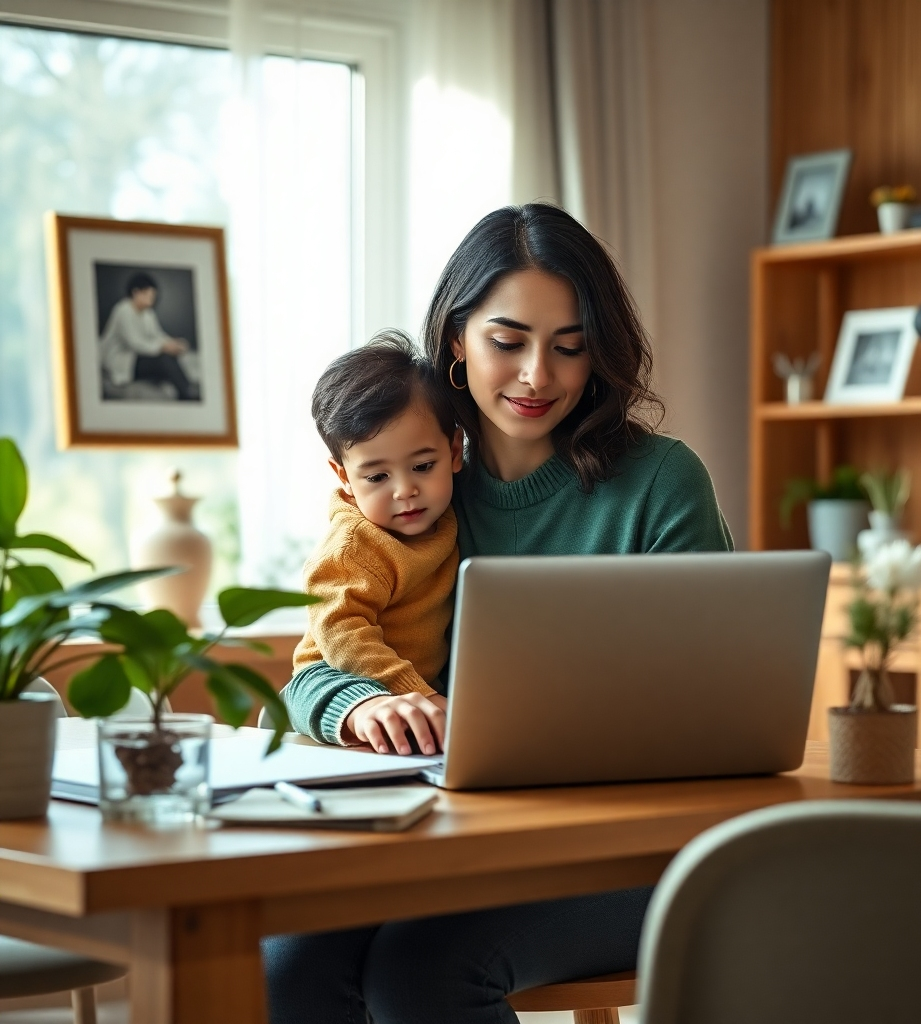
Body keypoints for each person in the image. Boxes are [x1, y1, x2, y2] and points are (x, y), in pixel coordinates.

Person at [264, 203, 733, 1024]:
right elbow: (314, 673)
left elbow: (723, 700)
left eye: (569, 346)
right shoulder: (414, 492)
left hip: (641, 855)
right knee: (288, 960)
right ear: (455, 339)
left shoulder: (661, 483)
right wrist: (368, 703)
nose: (536, 377)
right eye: (508, 342)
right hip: (466, 853)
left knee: (422, 971)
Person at [293, 331, 461, 756]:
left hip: (418, 715)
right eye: (377, 477)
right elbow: (339, 628)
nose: (406, 490)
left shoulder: (450, 517)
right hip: (349, 697)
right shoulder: (354, 545)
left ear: (456, 450)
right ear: (344, 478)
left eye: (423, 466)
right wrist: (414, 694)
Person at [99, 271, 200, 401]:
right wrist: (164, 347)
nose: (151, 300)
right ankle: (186, 392)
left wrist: (174, 343)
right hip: (123, 362)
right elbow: (134, 343)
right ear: (136, 292)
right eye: (147, 295)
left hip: (138, 357)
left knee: (170, 356)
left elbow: (157, 335)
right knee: (164, 359)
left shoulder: (148, 313)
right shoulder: (123, 310)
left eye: (152, 296)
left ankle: (185, 390)